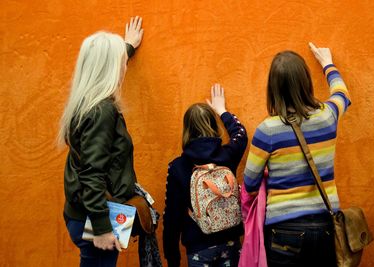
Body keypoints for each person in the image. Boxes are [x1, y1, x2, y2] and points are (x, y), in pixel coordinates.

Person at [243, 43, 351, 267]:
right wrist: (327, 63)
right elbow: (342, 93)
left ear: (273, 87)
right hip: (325, 229)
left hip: (283, 232)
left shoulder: (267, 130)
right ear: (305, 81)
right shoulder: (328, 116)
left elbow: (249, 183)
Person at [58, 17, 144, 266]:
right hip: (97, 217)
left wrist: (127, 48)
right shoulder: (103, 112)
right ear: (110, 67)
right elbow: (92, 174)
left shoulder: (86, 102)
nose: (124, 66)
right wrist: (102, 228)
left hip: (85, 214)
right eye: (120, 62)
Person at [163, 84, 248, 267]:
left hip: (198, 248)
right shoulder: (227, 155)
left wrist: (173, 258)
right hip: (231, 242)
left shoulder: (178, 167)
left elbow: (172, 217)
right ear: (213, 124)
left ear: (186, 130)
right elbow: (241, 135)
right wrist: (222, 110)